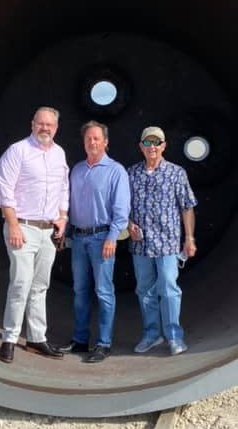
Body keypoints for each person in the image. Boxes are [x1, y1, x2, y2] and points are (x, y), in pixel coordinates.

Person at [0, 107, 69, 363]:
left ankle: (37, 338)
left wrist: (63, 218)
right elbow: (5, 190)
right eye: (41, 123)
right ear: (32, 124)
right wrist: (13, 225)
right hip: (23, 228)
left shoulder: (59, 154)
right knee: (20, 284)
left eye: (50, 125)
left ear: (56, 128)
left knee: (40, 286)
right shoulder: (18, 151)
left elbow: (63, 188)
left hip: (48, 230)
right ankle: (10, 338)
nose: (45, 128)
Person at [63, 121, 131, 363]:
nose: (92, 142)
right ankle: (80, 340)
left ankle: (103, 343)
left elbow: (121, 210)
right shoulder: (78, 169)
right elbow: (69, 204)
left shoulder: (116, 171)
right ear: (83, 142)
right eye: (88, 139)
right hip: (78, 238)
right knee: (80, 291)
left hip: (102, 238)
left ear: (105, 142)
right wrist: (65, 233)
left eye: (96, 138)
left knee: (103, 291)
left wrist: (112, 237)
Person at [127, 125, 197, 355]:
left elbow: (187, 207)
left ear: (164, 145)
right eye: (147, 143)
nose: (152, 147)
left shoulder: (176, 173)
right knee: (144, 290)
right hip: (140, 245)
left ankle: (174, 336)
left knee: (168, 288)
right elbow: (120, 207)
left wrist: (189, 238)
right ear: (141, 146)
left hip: (167, 243)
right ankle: (151, 334)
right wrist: (128, 225)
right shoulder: (131, 174)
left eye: (156, 142)